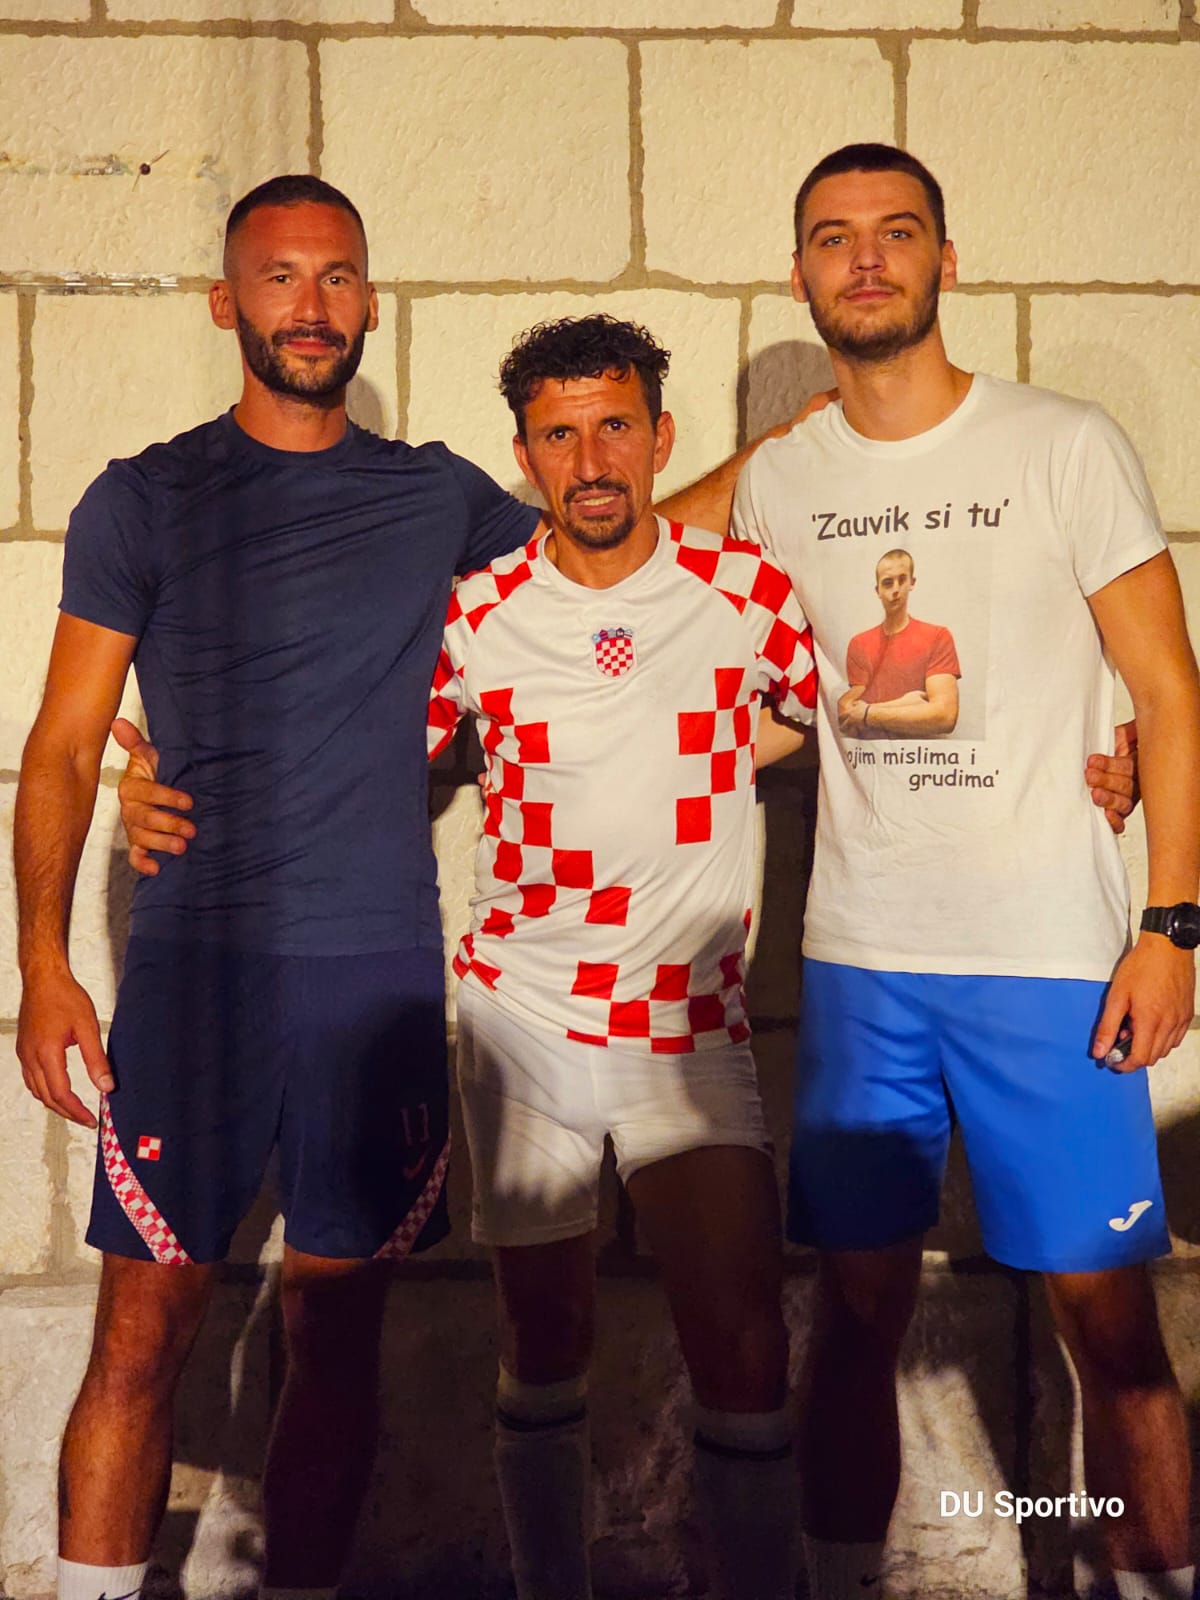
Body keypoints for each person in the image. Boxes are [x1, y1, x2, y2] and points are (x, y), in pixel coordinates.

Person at [119, 313, 820, 1600]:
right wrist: (167, 778)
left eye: (615, 426)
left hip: (687, 1021)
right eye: (560, 435)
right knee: (542, 1334)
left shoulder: (749, 593)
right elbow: (342, 746)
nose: (591, 460)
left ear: (662, 437)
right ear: (525, 457)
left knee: (742, 1344)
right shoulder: (478, 612)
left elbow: (864, 714)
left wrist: (1092, 762)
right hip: (522, 1014)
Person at [671, 142, 1200, 1600]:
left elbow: (1168, 687)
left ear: (946, 260)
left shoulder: (1061, 441)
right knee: (853, 1314)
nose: (866, 258)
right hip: (863, 964)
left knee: (1108, 1323)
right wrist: (758, 456)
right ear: (799, 274)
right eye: (833, 237)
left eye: (897, 231)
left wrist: (1171, 925)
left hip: (1050, 957)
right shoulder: (787, 479)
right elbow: (648, 565)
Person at [14, 174, 541, 1600]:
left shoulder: (436, 496)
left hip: (374, 973)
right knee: (142, 1334)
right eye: (280, 277)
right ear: (225, 303)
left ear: (368, 301)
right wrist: (46, 968)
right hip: (199, 973)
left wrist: (789, 453)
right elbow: (61, 747)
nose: (312, 306)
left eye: (337, 277)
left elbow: (610, 553)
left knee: (340, 1338)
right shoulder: (144, 498)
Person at [837, 547, 960, 737]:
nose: (895, 589)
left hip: (922, 753)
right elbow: (847, 714)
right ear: (878, 590)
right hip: (872, 753)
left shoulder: (937, 636)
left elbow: (945, 716)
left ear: (912, 582)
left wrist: (868, 712)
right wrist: (908, 703)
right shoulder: (860, 643)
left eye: (902, 580)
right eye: (888, 583)